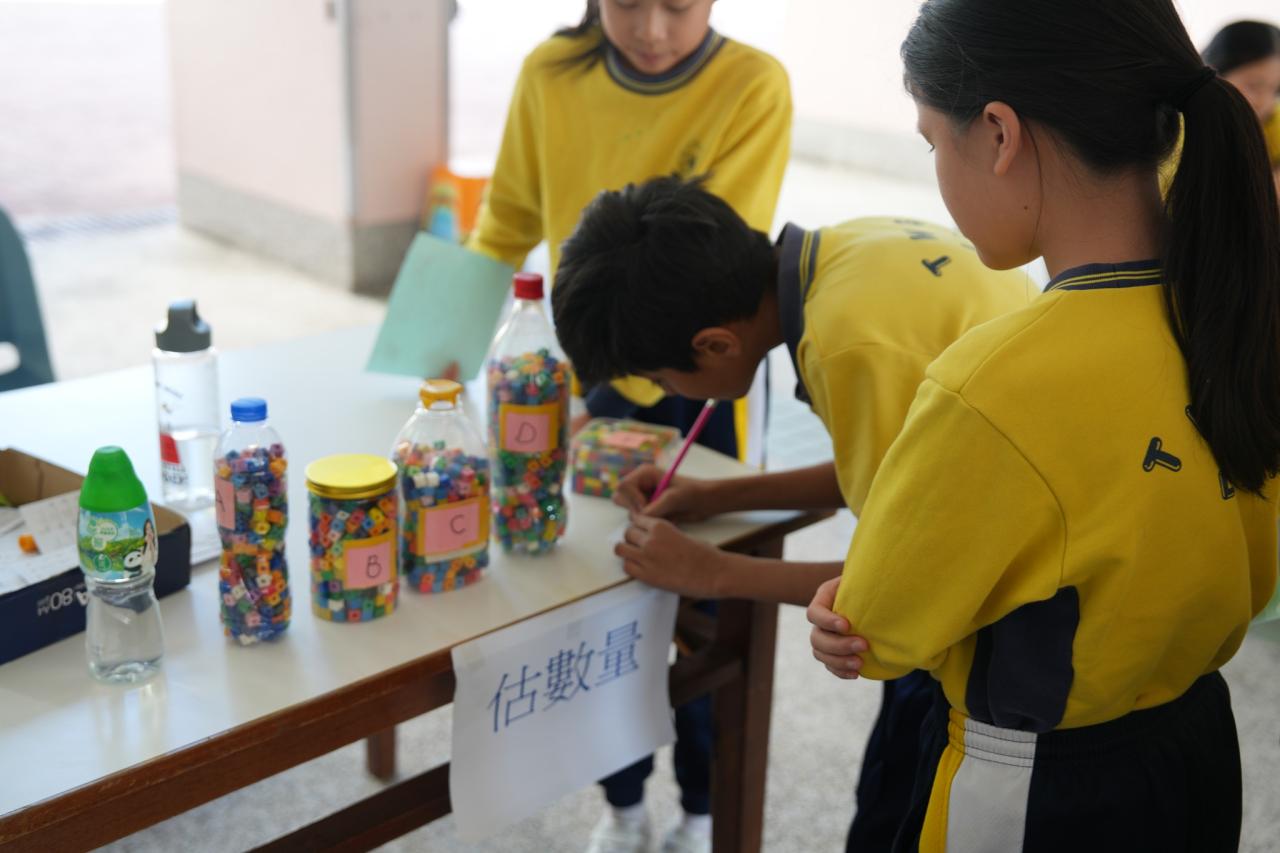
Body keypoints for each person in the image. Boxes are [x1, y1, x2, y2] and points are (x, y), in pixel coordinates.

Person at [807, 1, 1280, 849]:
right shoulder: (1238, 312)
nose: (935, 169)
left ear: (999, 133)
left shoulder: (991, 385)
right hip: (1199, 744)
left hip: (1041, 789)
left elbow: (875, 631)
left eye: (931, 141)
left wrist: (847, 607)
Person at [551, 175, 1035, 851]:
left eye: (661, 379)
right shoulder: (851, 251)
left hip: (1009, 651)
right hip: (1017, 566)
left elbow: (899, 586)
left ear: (715, 345)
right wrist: (716, 495)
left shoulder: (844, 344)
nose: (664, 389)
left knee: (893, 822)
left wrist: (712, 572)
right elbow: (895, 471)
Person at [466, 5, 791, 851]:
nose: (651, 28)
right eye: (626, 1)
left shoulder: (752, 84)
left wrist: (602, 382)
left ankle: (703, 806)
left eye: (677, 4)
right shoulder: (550, 72)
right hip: (586, 367)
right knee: (594, 596)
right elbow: (503, 224)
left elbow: (713, 264)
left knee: (703, 603)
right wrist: (440, 353)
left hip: (699, 371)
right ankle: (621, 802)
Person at [1205, 20, 1280, 188]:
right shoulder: (1177, 132)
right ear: (1212, 75)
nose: (1266, 102)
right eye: (1254, 86)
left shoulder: (1273, 118)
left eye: (1275, 90)